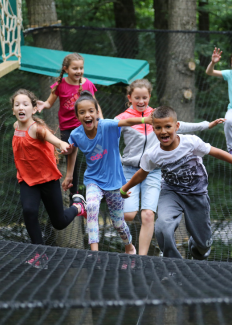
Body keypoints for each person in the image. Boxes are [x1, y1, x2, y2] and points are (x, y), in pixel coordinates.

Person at [120, 106, 232, 260]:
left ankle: (196, 246)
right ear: (153, 128)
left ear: (177, 126)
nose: (163, 131)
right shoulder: (152, 154)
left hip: (196, 194)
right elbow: (142, 173)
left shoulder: (190, 142)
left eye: (167, 126)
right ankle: (173, 263)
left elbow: (217, 152)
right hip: (171, 193)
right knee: (162, 226)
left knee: (203, 246)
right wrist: (125, 188)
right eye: (158, 127)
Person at [115, 79, 227, 256]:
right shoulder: (123, 119)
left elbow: (179, 125)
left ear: (150, 96)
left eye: (145, 97)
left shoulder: (157, 116)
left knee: (148, 216)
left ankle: (142, 257)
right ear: (130, 98)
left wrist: (206, 125)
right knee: (129, 215)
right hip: (130, 170)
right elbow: (109, 133)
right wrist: (118, 159)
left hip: (153, 172)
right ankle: (131, 246)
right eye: (137, 97)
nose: (141, 101)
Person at [11, 89, 88, 268]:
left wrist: (64, 146)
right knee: (29, 212)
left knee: (59, 222)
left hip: (47, 179)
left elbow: (56, 141)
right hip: (27, 180)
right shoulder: (15, 126)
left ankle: (78, 207)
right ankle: (40, 254)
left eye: (25, 104)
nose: (21, 107)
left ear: (34, 108)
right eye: (17, 105)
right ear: (14, 110)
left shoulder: (37, 129)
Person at [63, 91, 146, 254]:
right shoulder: (76, 134)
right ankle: (94, 252)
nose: (87, 115)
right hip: (93, 180)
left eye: (90, 111)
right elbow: (72, 151)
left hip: (114, 183)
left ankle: (129, 246)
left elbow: (127, 121)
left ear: (96, 112)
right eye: (82, 112)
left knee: (118, 223)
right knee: (92, 206)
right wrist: (69, 175)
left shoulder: (107, 126)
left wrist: (146, 119)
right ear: (77, 116)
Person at [36, 53, 104, 204]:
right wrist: (42, 104)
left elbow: (94, 105)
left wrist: (101, 120)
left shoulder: (87, 84)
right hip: (68, 127)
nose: (79, 71)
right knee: (70, 155)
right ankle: (75, 194)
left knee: (95, 153)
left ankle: (100, 187)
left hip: (85, 124)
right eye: (75, 68)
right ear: (66, 69)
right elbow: (49, 103)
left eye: (81, 68)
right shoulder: (60, 85)